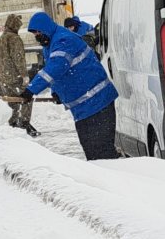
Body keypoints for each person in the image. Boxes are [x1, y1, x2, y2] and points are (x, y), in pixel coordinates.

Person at [22, 11, 119, 160]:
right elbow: (56, 71)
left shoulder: (63, 40)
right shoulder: (50, 45)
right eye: (34, 33)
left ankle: (116, 182)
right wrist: (56, 91)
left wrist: (31, 90)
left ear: (46, 28)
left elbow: (55, 68)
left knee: (102, 154)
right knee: (93, 154)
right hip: (84, 108)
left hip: (97, 103)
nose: (36, 36)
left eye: (38, 32)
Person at [0, 14, 39, 136]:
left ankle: (13, 123)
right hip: (16, 76)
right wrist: (24, 75)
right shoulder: (14, 39)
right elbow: (18, 58)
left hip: (5, 75)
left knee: (13, 101)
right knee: (27, 97)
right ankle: (24, 123)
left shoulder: (2, 38)